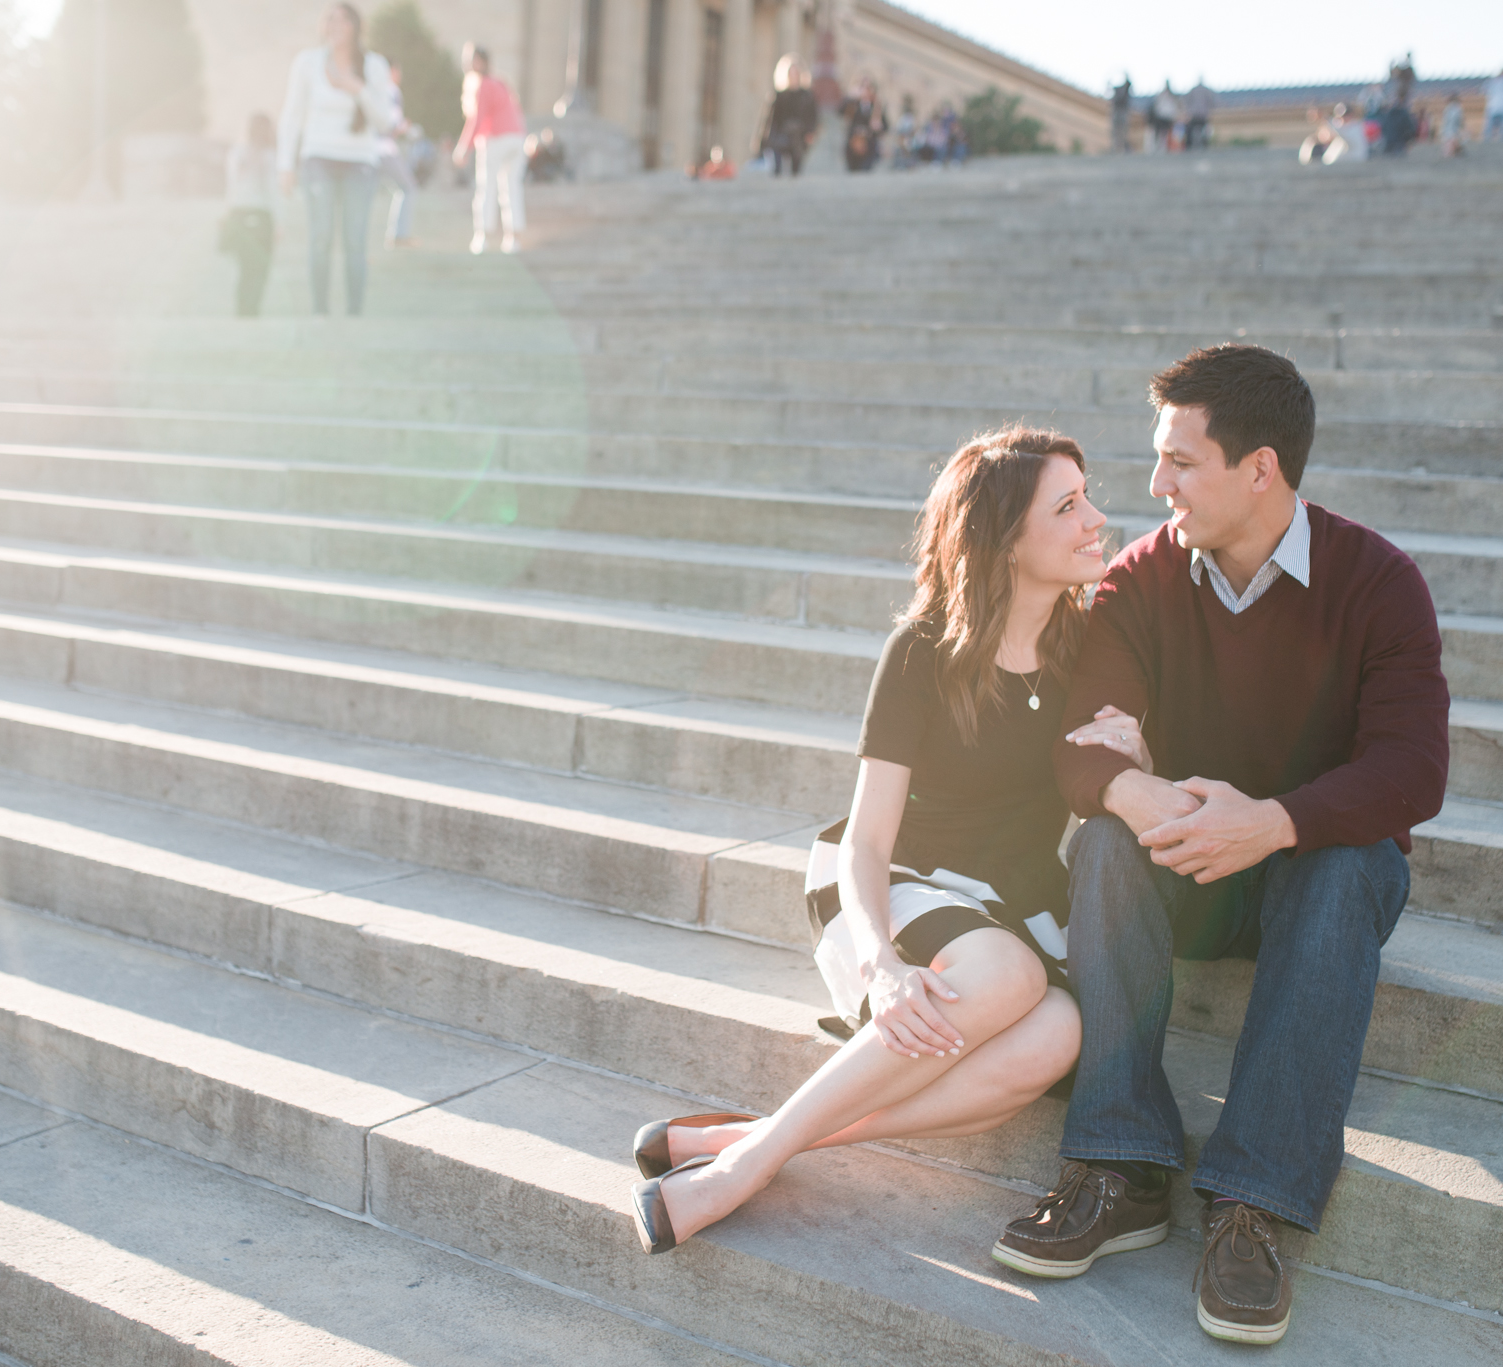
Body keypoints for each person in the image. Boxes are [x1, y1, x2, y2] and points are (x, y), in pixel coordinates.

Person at [989, 345, 1448, 1348]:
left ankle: (1252, 1203)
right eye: (1157, 461)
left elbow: (1414, 770)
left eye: (1178, 463)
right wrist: (1144, 789)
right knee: (1107, 841)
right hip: (1191, 870)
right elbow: (1078, 753)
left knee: (1345, 861)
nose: (1153, 486)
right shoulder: (1140, 579)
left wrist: (1276, 820)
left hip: (1312, 881)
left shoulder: (1376, 582)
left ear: (1259, 468)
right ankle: (1119, 1159)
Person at [630, 428, 1116, 1257]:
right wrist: (882, 962)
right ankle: (736, 1175)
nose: (1095, 519)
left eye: (1086, 496)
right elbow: (867, 836)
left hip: (1014, 902)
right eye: (1067, 506)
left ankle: (749, 1139)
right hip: (900, 880)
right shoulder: (925, 649)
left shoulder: (1090, 644)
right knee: (1009, 973)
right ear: (1003, 538)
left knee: (1061, 1032)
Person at [278, 3, 397, 316]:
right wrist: (285, 164)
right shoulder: (307, 63)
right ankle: (320, 312)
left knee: (355, 240)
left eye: (344, 20)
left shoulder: (374, 65)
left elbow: (385, 121)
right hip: (318, 159)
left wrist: (358, 89)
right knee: (320, 237)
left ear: (355, 27)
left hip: (360, 162)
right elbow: (291, 115)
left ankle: (354, 312)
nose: (336, 25)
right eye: (330, 19)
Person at [453, 43, 525, 254]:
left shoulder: (483, 84)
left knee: (486, 187)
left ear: (479, 61)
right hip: (516, 137)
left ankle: (482, 236)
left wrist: (463, 148)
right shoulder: (500, 82)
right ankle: (513, 239)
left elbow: (477, 118)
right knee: (512, 188)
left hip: (496, 138)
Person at [222, 112, 278, 317]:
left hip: (238, 214)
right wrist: (279, 222)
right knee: (260, 268)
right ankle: (253, 309)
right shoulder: (269, 156)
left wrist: (226, 215)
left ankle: (242, 309)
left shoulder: (236, 153)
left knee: (244, 268)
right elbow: (273, 192)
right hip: (262, 216)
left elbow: (230, 188)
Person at [376, 62, 435, 247]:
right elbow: (391, 125)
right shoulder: (392, 90)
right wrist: (407, 128)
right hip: (384, 150)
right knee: (408, 187)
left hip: (368, 152)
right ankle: (399, 236)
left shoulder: (374, 89)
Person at [760, 55, 819, 177]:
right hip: (781, 133)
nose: (793, 77)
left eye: (796, 74)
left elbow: (813, 117)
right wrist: (764, 139)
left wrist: (811, 132)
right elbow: (771, 118)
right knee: (777, 163)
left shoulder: (807, 96)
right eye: (791, 74)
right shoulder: (779, 95)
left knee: (796, 165)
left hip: (799, 135)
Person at [841, 78, 885, 172]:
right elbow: (844, 113)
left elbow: (885, 125)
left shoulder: (876, 107)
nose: (866, 92)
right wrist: (850, 98)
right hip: (854, 141)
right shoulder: (854, 104)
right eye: (863, 88)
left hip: (869, 142)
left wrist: (879, 126)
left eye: (868, 89)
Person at [1183, 79, 1214, 151]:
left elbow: (1187, 100)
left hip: (1194, 114)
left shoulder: (1193, 90)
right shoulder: (1206, 90)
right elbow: (1211, 101)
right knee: (1204, 130)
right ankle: (1204, 144)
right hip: (1203, 114)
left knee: (1191, 129)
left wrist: (1188, 110)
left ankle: (1189, 146)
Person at [1149, 82, 1180, 153]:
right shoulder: (1169, 95)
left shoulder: (1163, 95)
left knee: (1163, 132)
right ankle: (1161, 147)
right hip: (1164, 116)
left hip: (1164, 116)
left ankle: (1162, 147)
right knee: (1163, 132)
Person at [1109, 75, 1132, 153]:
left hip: (1122, 113)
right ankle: (1116, 147)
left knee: (1122, 131)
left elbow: (1128, 84)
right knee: (1116, 131)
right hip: (1117, 113)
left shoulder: (1125, 90)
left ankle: (1121, 148)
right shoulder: (1118, 90)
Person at [1439, 91, 1465, 156]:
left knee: (1450, 143)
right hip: (1451, 130)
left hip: (1451, 130)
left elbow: (1457, 121)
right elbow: (1458, 121)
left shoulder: (1452, 109)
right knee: (1450, 143)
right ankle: (1452, 152)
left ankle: (1451, 152)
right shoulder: (1455, 109)